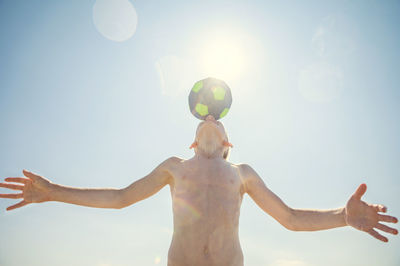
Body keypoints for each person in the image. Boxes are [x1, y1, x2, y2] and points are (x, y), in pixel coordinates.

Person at [0, 115, 398, 266]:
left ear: (229, 142)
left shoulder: (242, 173)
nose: (210, 116)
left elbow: (290, 220)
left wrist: (342, 219)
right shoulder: (176, 167)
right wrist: (53, 191)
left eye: (219, 121)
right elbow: (121, 198)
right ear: (193, 142)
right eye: (202, 118)